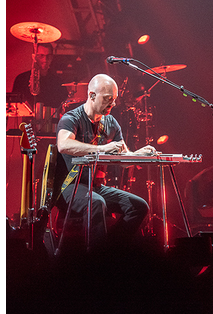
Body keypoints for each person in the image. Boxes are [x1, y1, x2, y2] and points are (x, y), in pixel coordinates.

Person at [56, 73, 154, 249]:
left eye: (115, 99)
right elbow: (63, 145)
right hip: (70, 186)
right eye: (109, 99)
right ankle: (97, 261)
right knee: (97, 202)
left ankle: (110, 250)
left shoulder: (111, 123)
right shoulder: (71, 118)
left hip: (95, 187)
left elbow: (124, 158)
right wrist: (102, 149)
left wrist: (139, 155)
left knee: (140, 207)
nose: (113, 104)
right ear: (92, 95)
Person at [11, 42, 69, 108]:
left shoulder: (58, 82)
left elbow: (63, 106)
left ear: (52, 58)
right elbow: (14, 106)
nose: (45, 59)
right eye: (41, 56)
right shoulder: (21, 80)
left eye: (48, 56)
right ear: (34, 57)